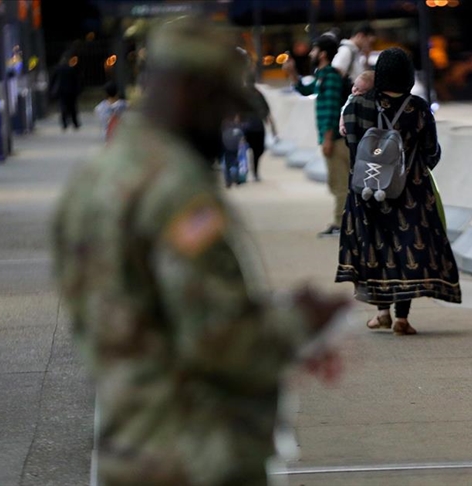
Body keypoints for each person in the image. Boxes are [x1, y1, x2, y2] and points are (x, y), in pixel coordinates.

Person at [52, 18, 348, 485]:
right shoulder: (176, 190)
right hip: (194, 455)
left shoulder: (94, 180)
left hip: (129, 446)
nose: (226, 121)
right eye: (221, 103)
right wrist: (295, 323)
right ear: (191, 89)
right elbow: (216, 336)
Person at [336, 47, 462, 335]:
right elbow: (431, 151)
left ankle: (381, 313)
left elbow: (353, 146)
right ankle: (402, 318)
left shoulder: (356, 105)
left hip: (366, 190)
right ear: (406, 75)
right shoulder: (417, 107)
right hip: (410, 190)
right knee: (406, 248)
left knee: (374, 248)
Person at [283, 35, 347, 237]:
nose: (311, 53)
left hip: (336, 139)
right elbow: (306, 90)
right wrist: (293, 73)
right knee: (336, 182)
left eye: (314, 50)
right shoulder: (323, 75)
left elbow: (331, 109)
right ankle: (342, 223)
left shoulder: (331, 76)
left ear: (323, 54)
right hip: (331, 138)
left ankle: (342, 225)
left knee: (340, 183)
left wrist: (328, 138)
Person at [240, 70, 277, 182]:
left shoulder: (257, 94)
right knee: (249, 150)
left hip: (255, 126)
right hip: (248, 126)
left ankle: (252, 171)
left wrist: (272, 126)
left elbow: (266, 110)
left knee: (257, 150)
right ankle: (246, 170)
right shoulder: (244, 94)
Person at [50, 52, 83, 130]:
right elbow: (76, 80)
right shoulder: (71, 69)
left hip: (61, 91)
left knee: (63, 107)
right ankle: (75, 123)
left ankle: (64, 123)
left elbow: (53, 80)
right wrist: (78, 90)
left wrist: (51, 89)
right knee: (73, 107)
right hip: (71, 91)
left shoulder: (58, 69)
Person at [338, 70, 374, 137]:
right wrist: (341, 125)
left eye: (359, 90)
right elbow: (343, 111)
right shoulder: (351, 98)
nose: (354, 90)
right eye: (354, 85)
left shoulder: (368, 101)